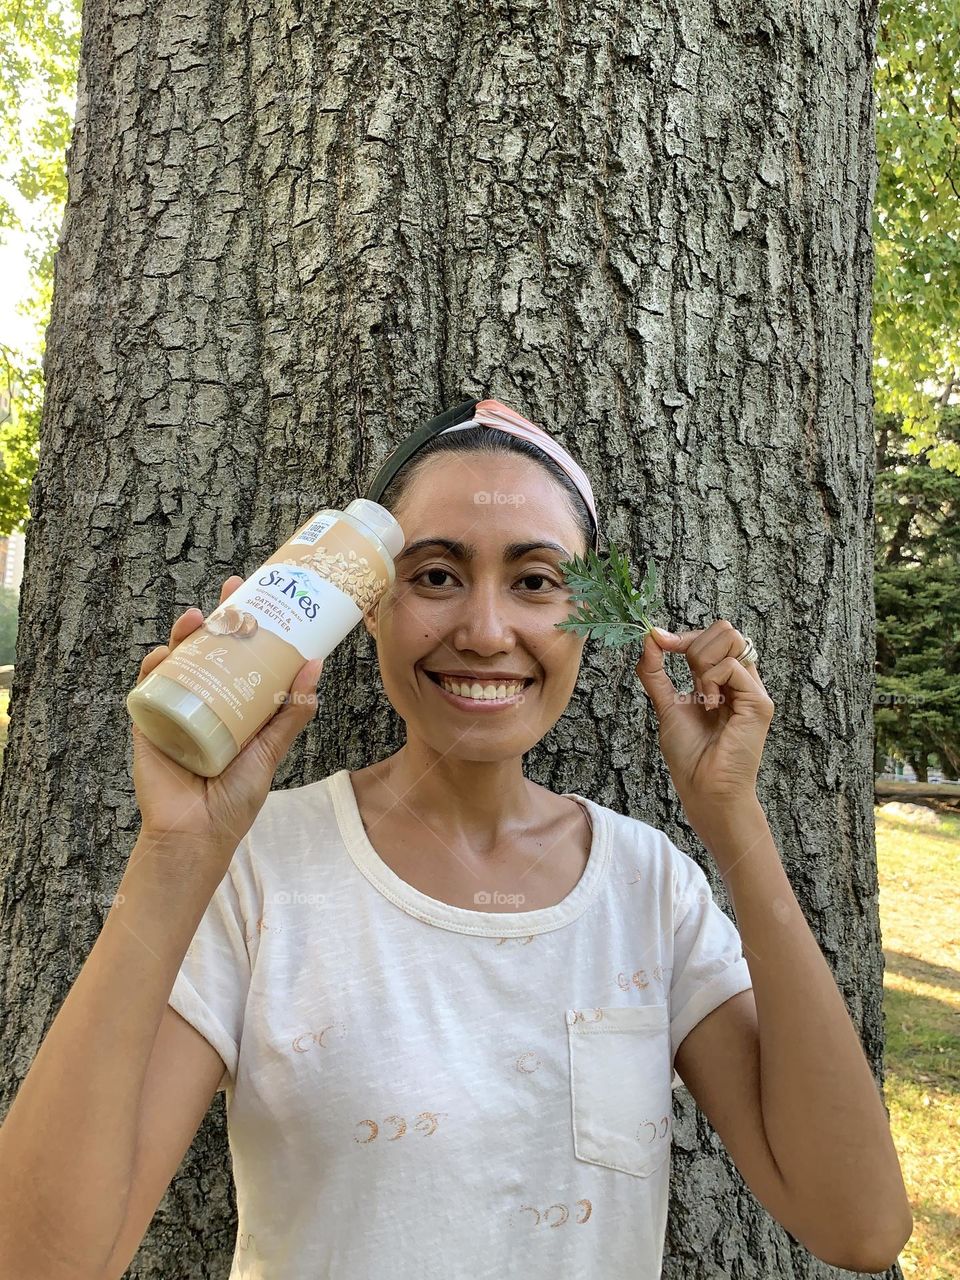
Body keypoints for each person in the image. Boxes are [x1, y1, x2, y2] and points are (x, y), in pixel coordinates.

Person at [0, 398, 912, 1280]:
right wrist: (174, 856)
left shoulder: (650, 887)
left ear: (588, 618)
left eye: (536, 581)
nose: (484, 631)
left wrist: (733, 819)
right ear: (368, 606)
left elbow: (857, 1223)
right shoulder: (257, 871)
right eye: (435, 574)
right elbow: (38, 1264)